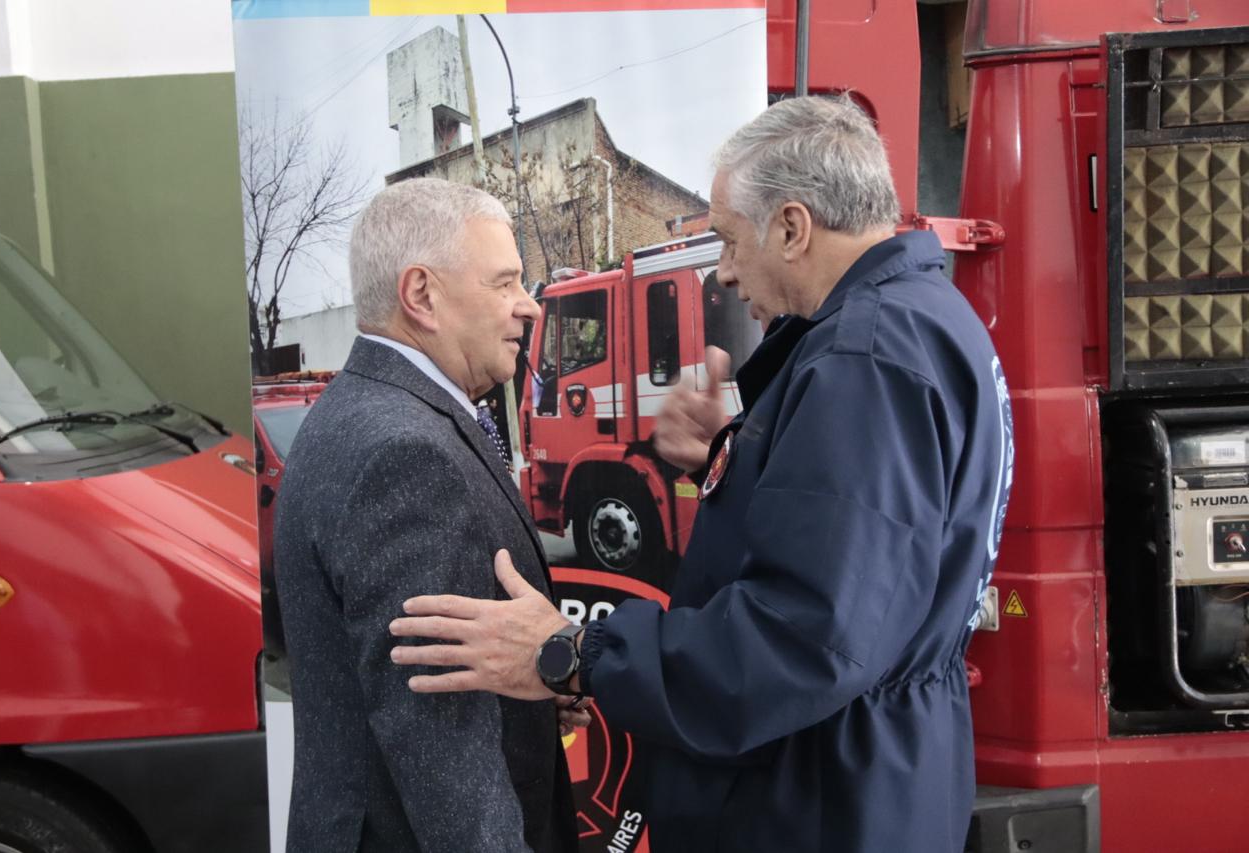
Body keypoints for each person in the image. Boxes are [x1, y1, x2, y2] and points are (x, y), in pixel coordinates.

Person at [388, 97, 1015, 852]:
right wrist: (738, 455)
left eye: (729, 240)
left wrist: (574, 654)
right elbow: (876, 555)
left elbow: (803, 639)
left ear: (793, 228)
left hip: (818, 803)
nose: (723, 271)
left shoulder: (867, 359)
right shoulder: (927, 319)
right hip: (869, 779)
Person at [273, 178, 583, 853]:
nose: (528, 305)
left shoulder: (365, 411)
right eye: (504, 282)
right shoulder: (404, 453)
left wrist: (526, 700)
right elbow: (442, 747)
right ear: (421, 295)